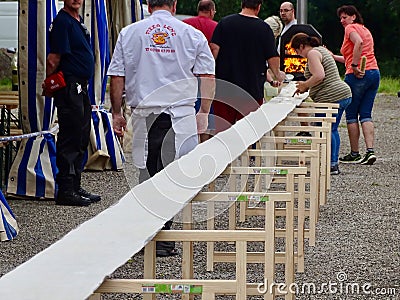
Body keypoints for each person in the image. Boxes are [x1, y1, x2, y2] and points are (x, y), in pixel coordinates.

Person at [107, 0, 215, 257]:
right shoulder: (191, 33)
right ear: (174, 4)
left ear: (149, 4)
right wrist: (204, 112)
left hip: (144, 112)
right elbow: (207, 76)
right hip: (179, 114)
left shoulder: (130, 32)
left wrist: (116, 112)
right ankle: (161, 236)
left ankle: (152, 233)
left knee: (147, 173)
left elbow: (117, 76)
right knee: (171, 176)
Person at [43, 0, 100, 206]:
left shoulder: (77, 21)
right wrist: (50, 81)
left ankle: (75, 184)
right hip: (69, 85)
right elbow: (53, 58)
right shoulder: (62, 22)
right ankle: (66, 189)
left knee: (82, 134)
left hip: (81, 85)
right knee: (71, 134)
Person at [210, 0, 285, 132]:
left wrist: (209, 73)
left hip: (224, 88)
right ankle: (248, 153)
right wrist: (278, 75)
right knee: (249, 133)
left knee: (222, 132)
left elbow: (214, 49)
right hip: (251, 90)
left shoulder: (224, 23)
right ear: (259, 7)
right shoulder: (263, 29)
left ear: (242, 4)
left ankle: (226, 152)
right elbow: (272, 57)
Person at [291, 33, 352, 175]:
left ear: (301, 46)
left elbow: (319, 75)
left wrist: (305, 85)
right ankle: (333, 163)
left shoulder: (312, 53)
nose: (298, 55)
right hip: (342, 94)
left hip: (331, 96)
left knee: (324, 130)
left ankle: (330, 164)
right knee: (332, 129)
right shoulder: (321, 50)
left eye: (297, 51)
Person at [331, 5, 380, 165]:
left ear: (353, 16)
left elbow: (357, 44)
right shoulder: (364, 29)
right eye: (341, 18)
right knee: (366, 113)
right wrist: (334, 57)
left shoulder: (350, 28)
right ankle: (370, 151)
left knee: (351, 115)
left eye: (345, 17)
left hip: (357, 75)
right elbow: (353, 54)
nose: (342, 21)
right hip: (374, 72)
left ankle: (354, 153)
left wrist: (354, 66)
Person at [183, 0, 217, 142]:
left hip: (187, 76)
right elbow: (215, 48)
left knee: (186, 112)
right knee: (206, 113)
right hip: (207, 77)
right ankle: (204, 145)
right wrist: (210, 64)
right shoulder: (216, 27)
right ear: (210, 11)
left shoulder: (184, 24)